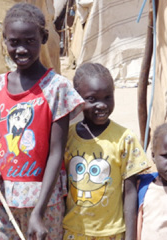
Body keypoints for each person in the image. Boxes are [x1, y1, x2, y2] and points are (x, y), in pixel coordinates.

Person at [0, 3, 85, 240]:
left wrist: (38, 211)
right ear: (5, 40)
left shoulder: (56, 88)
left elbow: (56, 152)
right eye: (14, 42)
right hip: (3, 198)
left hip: (44, 202)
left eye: (30, 41)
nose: (21, 49)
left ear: (44, 37)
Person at [63, 62, 150, 240]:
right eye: (92, 99)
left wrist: (131, 236)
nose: (101, 105)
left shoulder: (124, 138)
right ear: (77, 98)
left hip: (112, 232)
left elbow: (130, 191)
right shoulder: (67, 137)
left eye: (107, 97)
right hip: (73, 230)